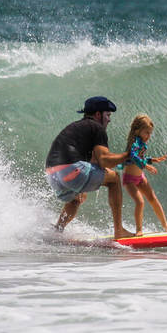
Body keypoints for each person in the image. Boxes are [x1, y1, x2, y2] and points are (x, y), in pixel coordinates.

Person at [45, 96, 134, 238]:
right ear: (98, 114)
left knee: (77, 197)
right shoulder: (97, 128)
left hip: (53, 175)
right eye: (108, 115)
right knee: (114, 179)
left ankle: (57, 230)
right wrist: (128, 155)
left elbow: (95, 161)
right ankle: (119, 230)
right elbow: (104, 160)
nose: (109, 119)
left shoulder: (76, 127)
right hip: (71, 170)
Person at [121, 114, 167, 234]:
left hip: (140, 177)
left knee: (153, 199)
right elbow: (133, 157)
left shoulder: (140, 142)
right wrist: (146, 166)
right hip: (129, 179)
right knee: (140, 202)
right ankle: (139, 230)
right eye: (146, 132)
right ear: (138, 130)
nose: (148, 136)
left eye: (150, 133)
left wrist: (152, 160)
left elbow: (140, 157)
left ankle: (166, 226)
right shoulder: (134, 143)